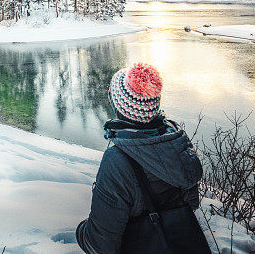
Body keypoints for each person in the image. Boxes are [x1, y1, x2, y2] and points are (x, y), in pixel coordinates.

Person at [75, 63, 204, 254]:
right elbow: (191, 203)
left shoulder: (117, 160)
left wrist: (81, 230)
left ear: (119, 107)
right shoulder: (177, 142)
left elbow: (100, 246)